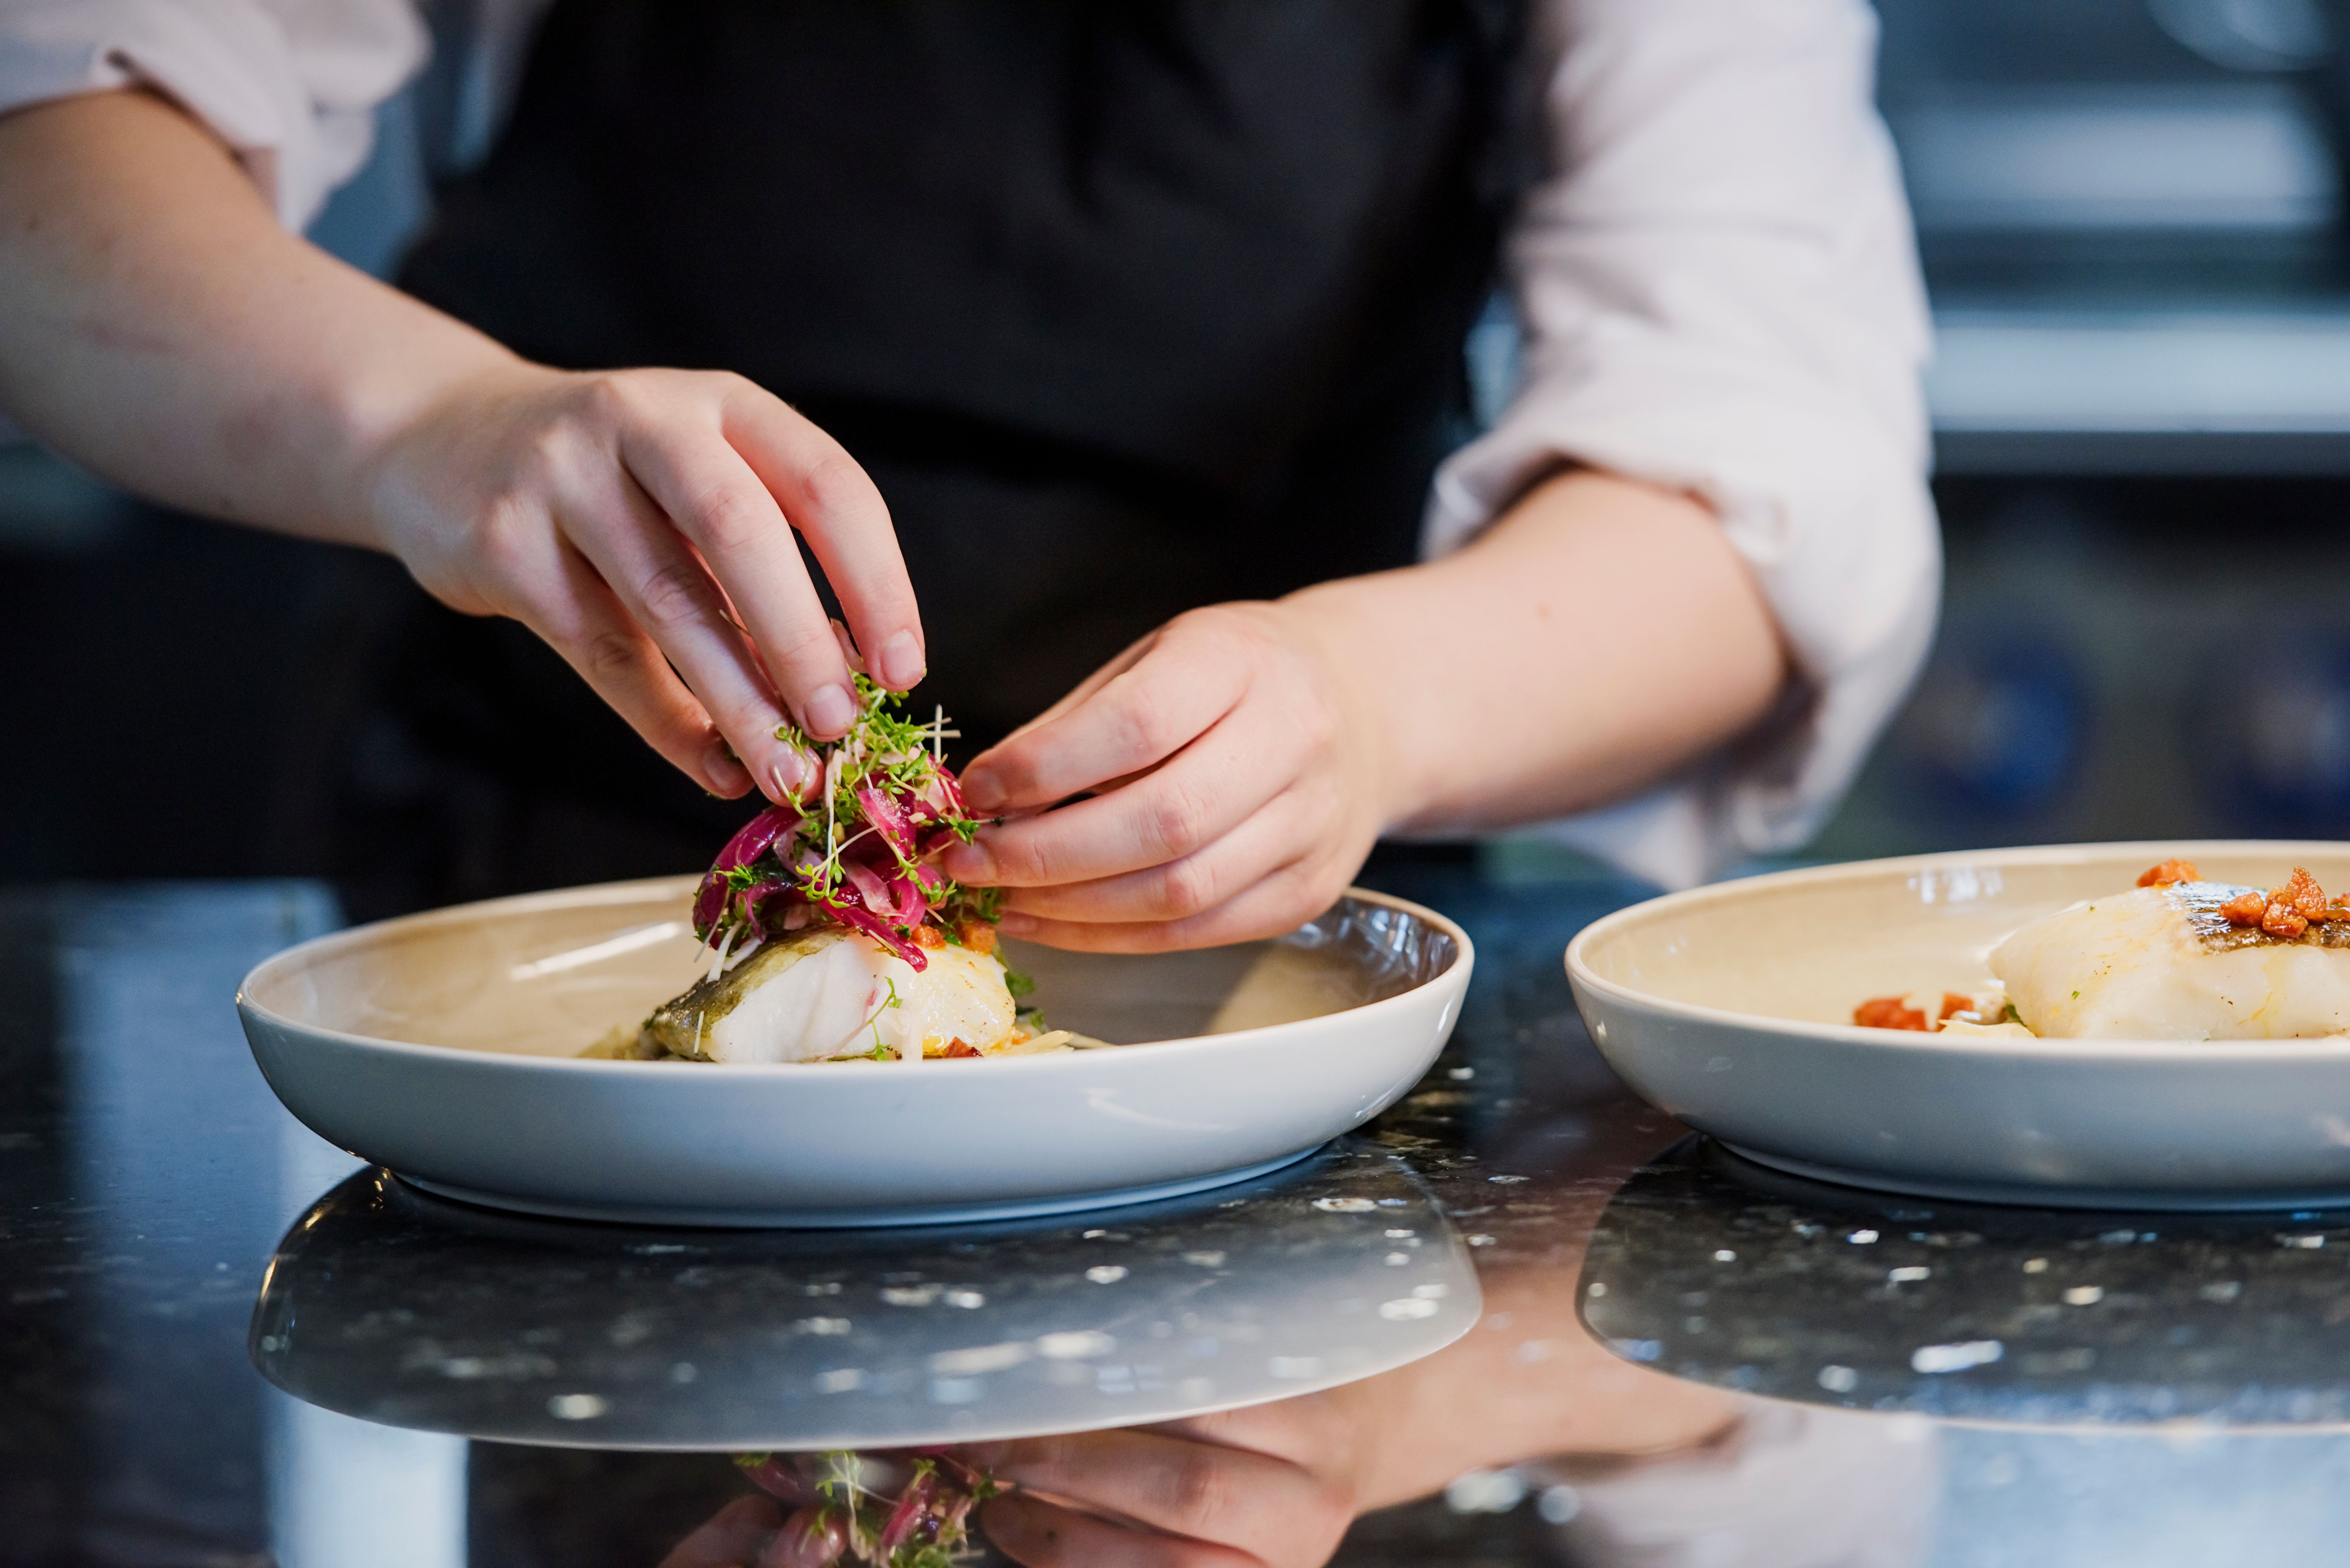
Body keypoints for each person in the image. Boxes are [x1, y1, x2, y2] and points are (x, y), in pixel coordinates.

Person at [0, 0, 1936, 947]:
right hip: (539, 919)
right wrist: (434, 428)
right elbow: (49, 151)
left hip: (1251, 997)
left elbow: (1755, 468)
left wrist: (1370, 703)